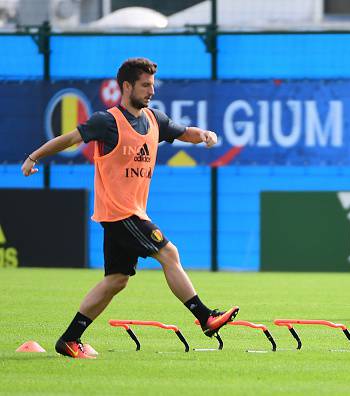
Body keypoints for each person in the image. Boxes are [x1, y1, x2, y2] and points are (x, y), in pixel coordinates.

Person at [22, 57, 239, 358]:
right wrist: (34, 157)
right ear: (126, 86)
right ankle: (205, 317)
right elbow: (69, 139)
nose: (151, 91)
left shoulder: (154, 120)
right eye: (145, 85)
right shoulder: (106, 121)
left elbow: (183, 131)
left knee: (116, 280)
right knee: (169, 253)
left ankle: (69, 339)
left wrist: (204, 135)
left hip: (129, 213)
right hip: (120, 212)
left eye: (152, 85)